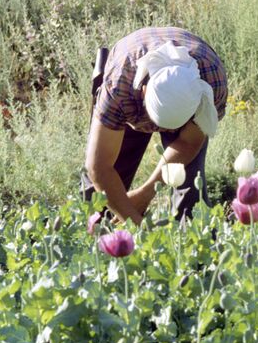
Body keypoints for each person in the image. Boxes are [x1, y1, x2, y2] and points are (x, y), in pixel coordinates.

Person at [82, 27, 227, 224]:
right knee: (100, 197)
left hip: (185, 104)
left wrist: (145, 194)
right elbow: (99, 167)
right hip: (129, 102)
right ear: (143, 91)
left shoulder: (211, 81)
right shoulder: (120, 84)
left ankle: (192, 246)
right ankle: (92, 242)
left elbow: (188, 142)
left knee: (189, 187)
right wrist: (137, 225)